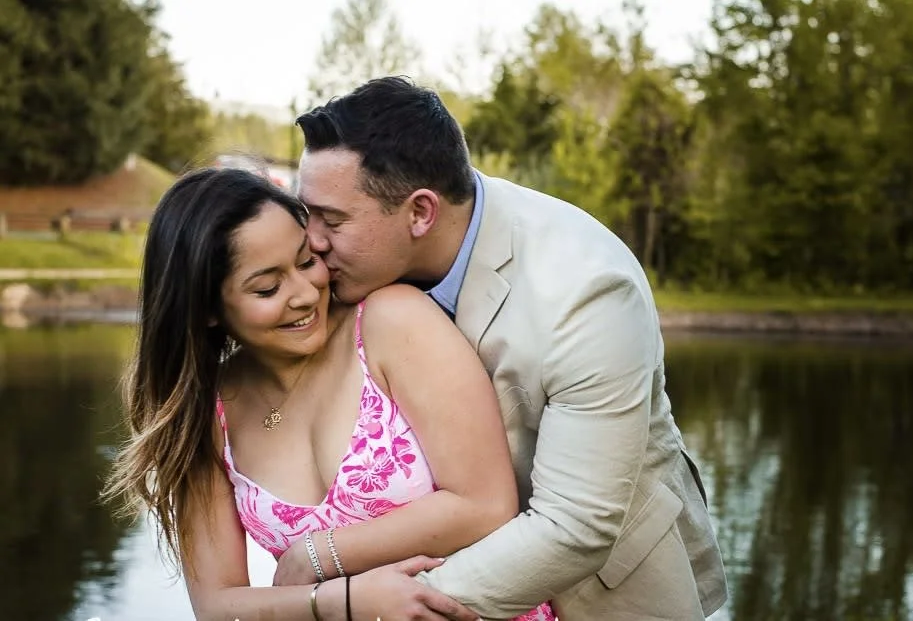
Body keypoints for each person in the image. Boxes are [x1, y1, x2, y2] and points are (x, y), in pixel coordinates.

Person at [290, 76, 730, 620]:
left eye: (332, 220)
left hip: (601, 593)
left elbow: (575, 525)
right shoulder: (357, 269)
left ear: (421, 213)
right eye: (307, 214)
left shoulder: (587, 291)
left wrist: (369, 607)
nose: (312, 241)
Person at [102, 167, 554, 620]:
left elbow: (487, 505)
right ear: (207, 309)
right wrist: (345, 601)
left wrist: (318, 555)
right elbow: (217, 606)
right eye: (268, 288)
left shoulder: (391, 323)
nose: (304, 294)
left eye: (306, 262)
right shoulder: (209, 414)